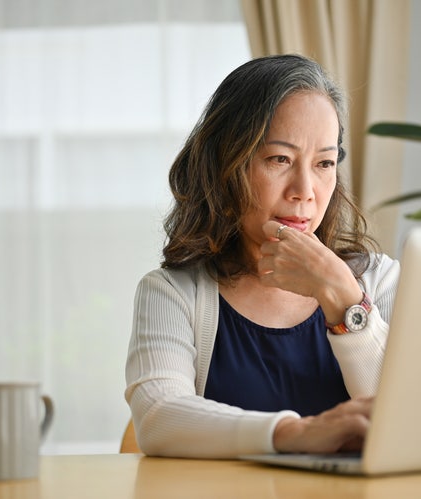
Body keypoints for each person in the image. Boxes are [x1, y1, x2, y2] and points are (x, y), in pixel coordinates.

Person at [124, 54, 400, 458]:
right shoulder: (172, 293)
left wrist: (344, 298)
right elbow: (157, 418)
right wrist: (295, 433)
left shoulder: (380, 280)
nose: (305, 189)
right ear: (227, 165)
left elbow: (407, 422)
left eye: (324, 163)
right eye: (280, 159)